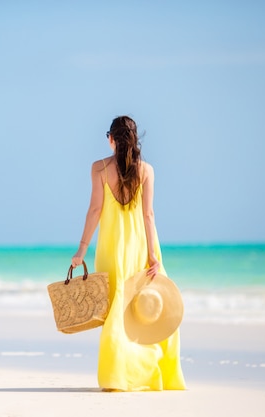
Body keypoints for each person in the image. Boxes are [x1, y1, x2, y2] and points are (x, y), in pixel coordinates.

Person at [71, 115, 186, 391]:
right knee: (147, 306)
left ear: (111, 139)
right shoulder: (147, 170)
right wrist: (153, 256)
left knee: (116, 309)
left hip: (112, 246)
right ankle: (153, 373)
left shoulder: (98, 168)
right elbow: (148, 215)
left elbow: (95, 211)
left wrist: (81, 250)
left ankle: (116, 377)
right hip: (142, 245)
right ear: (135, 141)